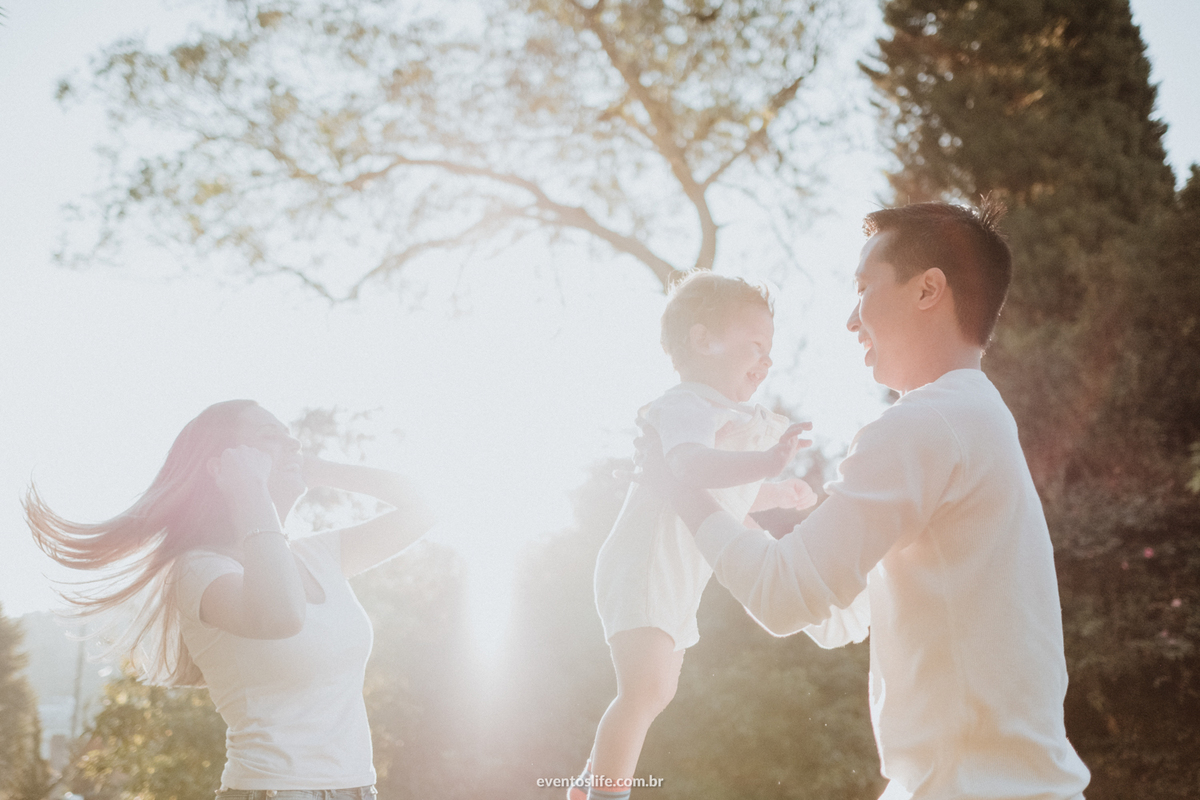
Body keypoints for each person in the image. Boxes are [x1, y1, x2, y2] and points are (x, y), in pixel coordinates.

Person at [640, 202, 1091, 799]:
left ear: (929, 289)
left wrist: (685, 488)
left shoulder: (927, 424)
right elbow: (842, 618)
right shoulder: (975, 419)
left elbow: (784, 596)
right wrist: (736, 508)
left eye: (863, 289)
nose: (851, 320)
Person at [26, 399, 434, 798]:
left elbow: (425, 507)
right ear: (223, 466)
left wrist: (319, 469)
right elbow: (280, 616)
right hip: (272, 791)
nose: (291, 444)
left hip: (357, 789)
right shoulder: (200, 569)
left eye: (291, 437)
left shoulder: (318, 554)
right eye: (269, 435)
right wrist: (249, 492)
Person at [572, 272, 815, 800]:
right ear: (703, 340)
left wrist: (777, 491)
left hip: (674, 574)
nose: (767, 359)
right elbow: (687, 466)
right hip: (645, 564)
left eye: (769, 349)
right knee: (643, 690)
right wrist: (767, 459)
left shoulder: (720, 415)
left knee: (656, 690)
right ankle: (602, 795)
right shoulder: (686, 404)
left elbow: (730, 497)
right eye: (755, 345)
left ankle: (588, 784)